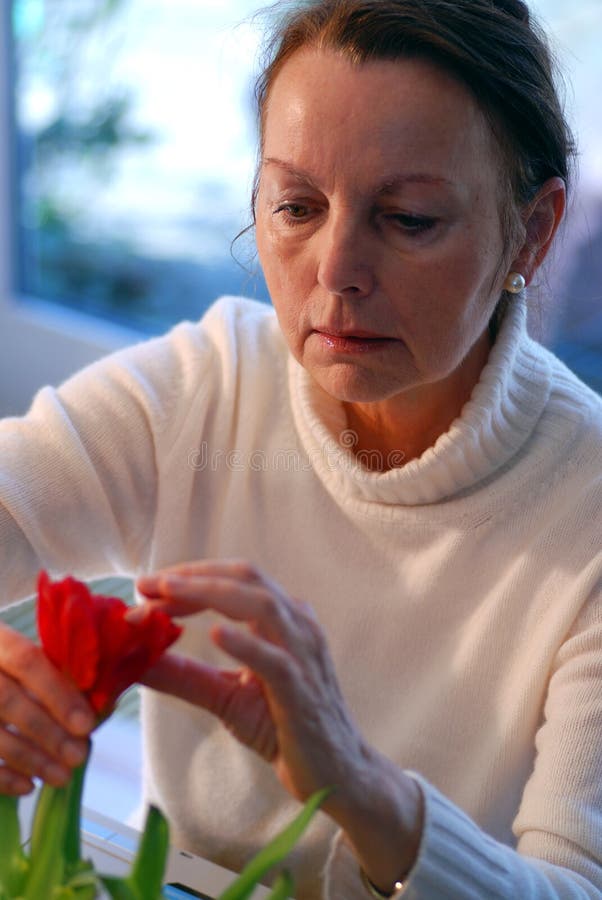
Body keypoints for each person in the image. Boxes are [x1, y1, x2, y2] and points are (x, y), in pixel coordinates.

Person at [0, 0, 600, 897]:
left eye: (408, 218)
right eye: (297, 205)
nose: (336, 270)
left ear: (535, 230)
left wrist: (359, 786)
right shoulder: (209, 382)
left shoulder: (584, 510)